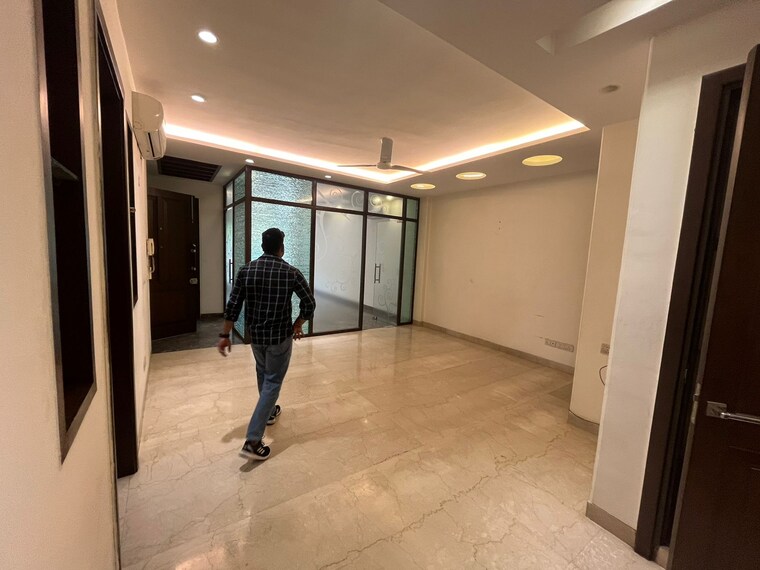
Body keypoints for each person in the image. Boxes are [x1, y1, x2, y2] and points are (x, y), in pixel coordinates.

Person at [217, 227, 316, 461]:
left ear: (262, 246)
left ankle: (270, 411)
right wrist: (298, 324)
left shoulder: (246, 270)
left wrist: (224, 335)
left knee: (263, 373)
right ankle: (253, 440)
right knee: (272, 381)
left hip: (257, 337)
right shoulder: (291, 272)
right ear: (282, 248)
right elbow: (309, 303)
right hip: (280, 337)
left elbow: (233, 305)